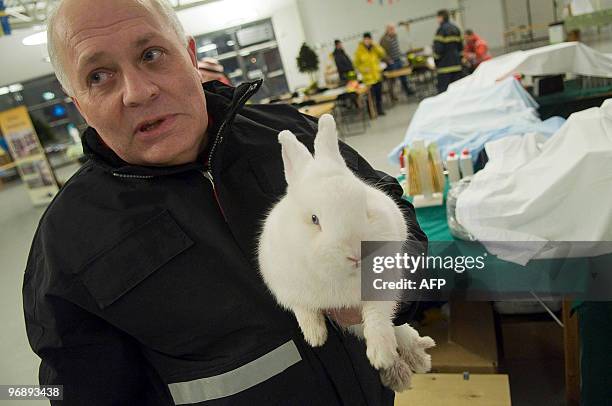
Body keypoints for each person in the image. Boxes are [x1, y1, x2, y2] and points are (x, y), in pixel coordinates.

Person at [22, 0, 427, 404]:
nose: (138, 91)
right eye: (98, 76)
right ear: (78, 103)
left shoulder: (290, 136)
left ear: (191, 56)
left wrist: (378, 299)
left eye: (151, 55)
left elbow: (398, 218)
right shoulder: (68, 241)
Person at [354, 32, 387, 116]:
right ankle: (371, 112)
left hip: (377, 76)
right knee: (370, 97)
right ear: (363, 40)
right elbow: (356, 64)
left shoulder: (374, 48)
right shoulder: (359, 50)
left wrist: (375, 45)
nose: (367, 41)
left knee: (378, 95)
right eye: (366, 39)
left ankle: (380, 110)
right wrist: (363, 69)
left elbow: (383, 54)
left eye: (369, 39)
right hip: (368, 79)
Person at [433, 9, 463, 93]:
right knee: (458, 92)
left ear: (441, 18)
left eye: (438, 17)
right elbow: (461, 48)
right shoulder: (456, 29)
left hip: (444, 68)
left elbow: (438, 50)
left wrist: (436, 62)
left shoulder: (441, 30)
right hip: (457, 66)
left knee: (444, 93)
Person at [379, 24, 413, 98]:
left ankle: (407, 90)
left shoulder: (395, 36)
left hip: (398, 59)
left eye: (394, 29)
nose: (393, 31)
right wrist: (388, 60)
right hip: (391, 62)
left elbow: (397, 48)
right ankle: (392, 95)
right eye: (391, 29)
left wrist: (402, 56)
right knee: (392, 79)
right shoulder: (384, 40)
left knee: (403, 76)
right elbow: (382, 53)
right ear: (387, 30)